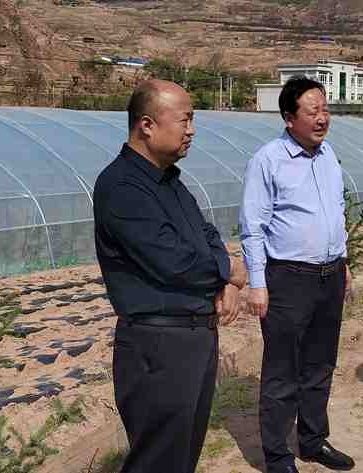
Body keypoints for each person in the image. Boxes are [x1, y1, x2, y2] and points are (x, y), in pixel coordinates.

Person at [93, 79, 246, 473]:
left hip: (193, 339)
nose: (191, 130)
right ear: (147, 125)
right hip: (159, 347)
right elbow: (173, 261)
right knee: (158, 460)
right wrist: (229, 271)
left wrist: (226, 280)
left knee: (180, 457)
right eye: (185, 119)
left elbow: (206, 235)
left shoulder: (169, 181)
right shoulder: (122, 186)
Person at [239, 75, 354, 473]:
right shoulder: (268, 160)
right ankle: (277, 455)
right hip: (288, 278)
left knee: (320, 365)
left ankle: (313, 440)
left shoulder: (328, 155)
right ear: (289, 118)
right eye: (313, 111)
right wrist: (257, 284)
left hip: (330, 275)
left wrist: (343, 262)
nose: (322, 118)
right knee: (282, 371)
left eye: (325, 109)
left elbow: (336, 213)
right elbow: (252, 227)